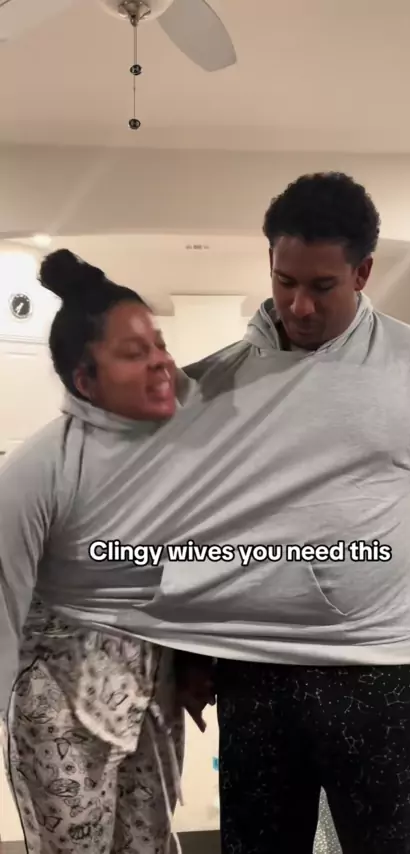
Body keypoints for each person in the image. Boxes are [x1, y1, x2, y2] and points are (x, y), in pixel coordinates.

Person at [136, 172, 410, 854]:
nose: (298, 305)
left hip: (381, 675)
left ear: (363, 271)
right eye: (284, 280)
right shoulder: (216, 381)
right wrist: (184, 652)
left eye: (322, 286)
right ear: (269, 260)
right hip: (256, 676)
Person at [0, 249, 212, 854]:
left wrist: (196, 662)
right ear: (85, 380)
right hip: (58, 708)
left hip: (153, 695)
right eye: (134, 352)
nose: (161, 362)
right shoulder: (40, 470)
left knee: (151, 844)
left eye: (159, 344)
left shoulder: (178, 454)